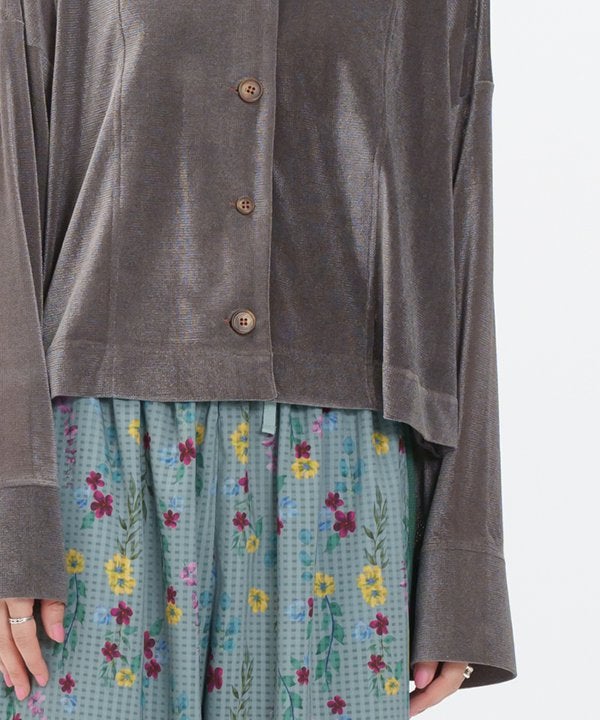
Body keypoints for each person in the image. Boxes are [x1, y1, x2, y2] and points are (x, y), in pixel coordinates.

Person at [0, 1, 516, 718]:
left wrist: (464, 567)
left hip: (346, 473)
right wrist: (10, 518)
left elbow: (460, 228)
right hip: (94, 465)